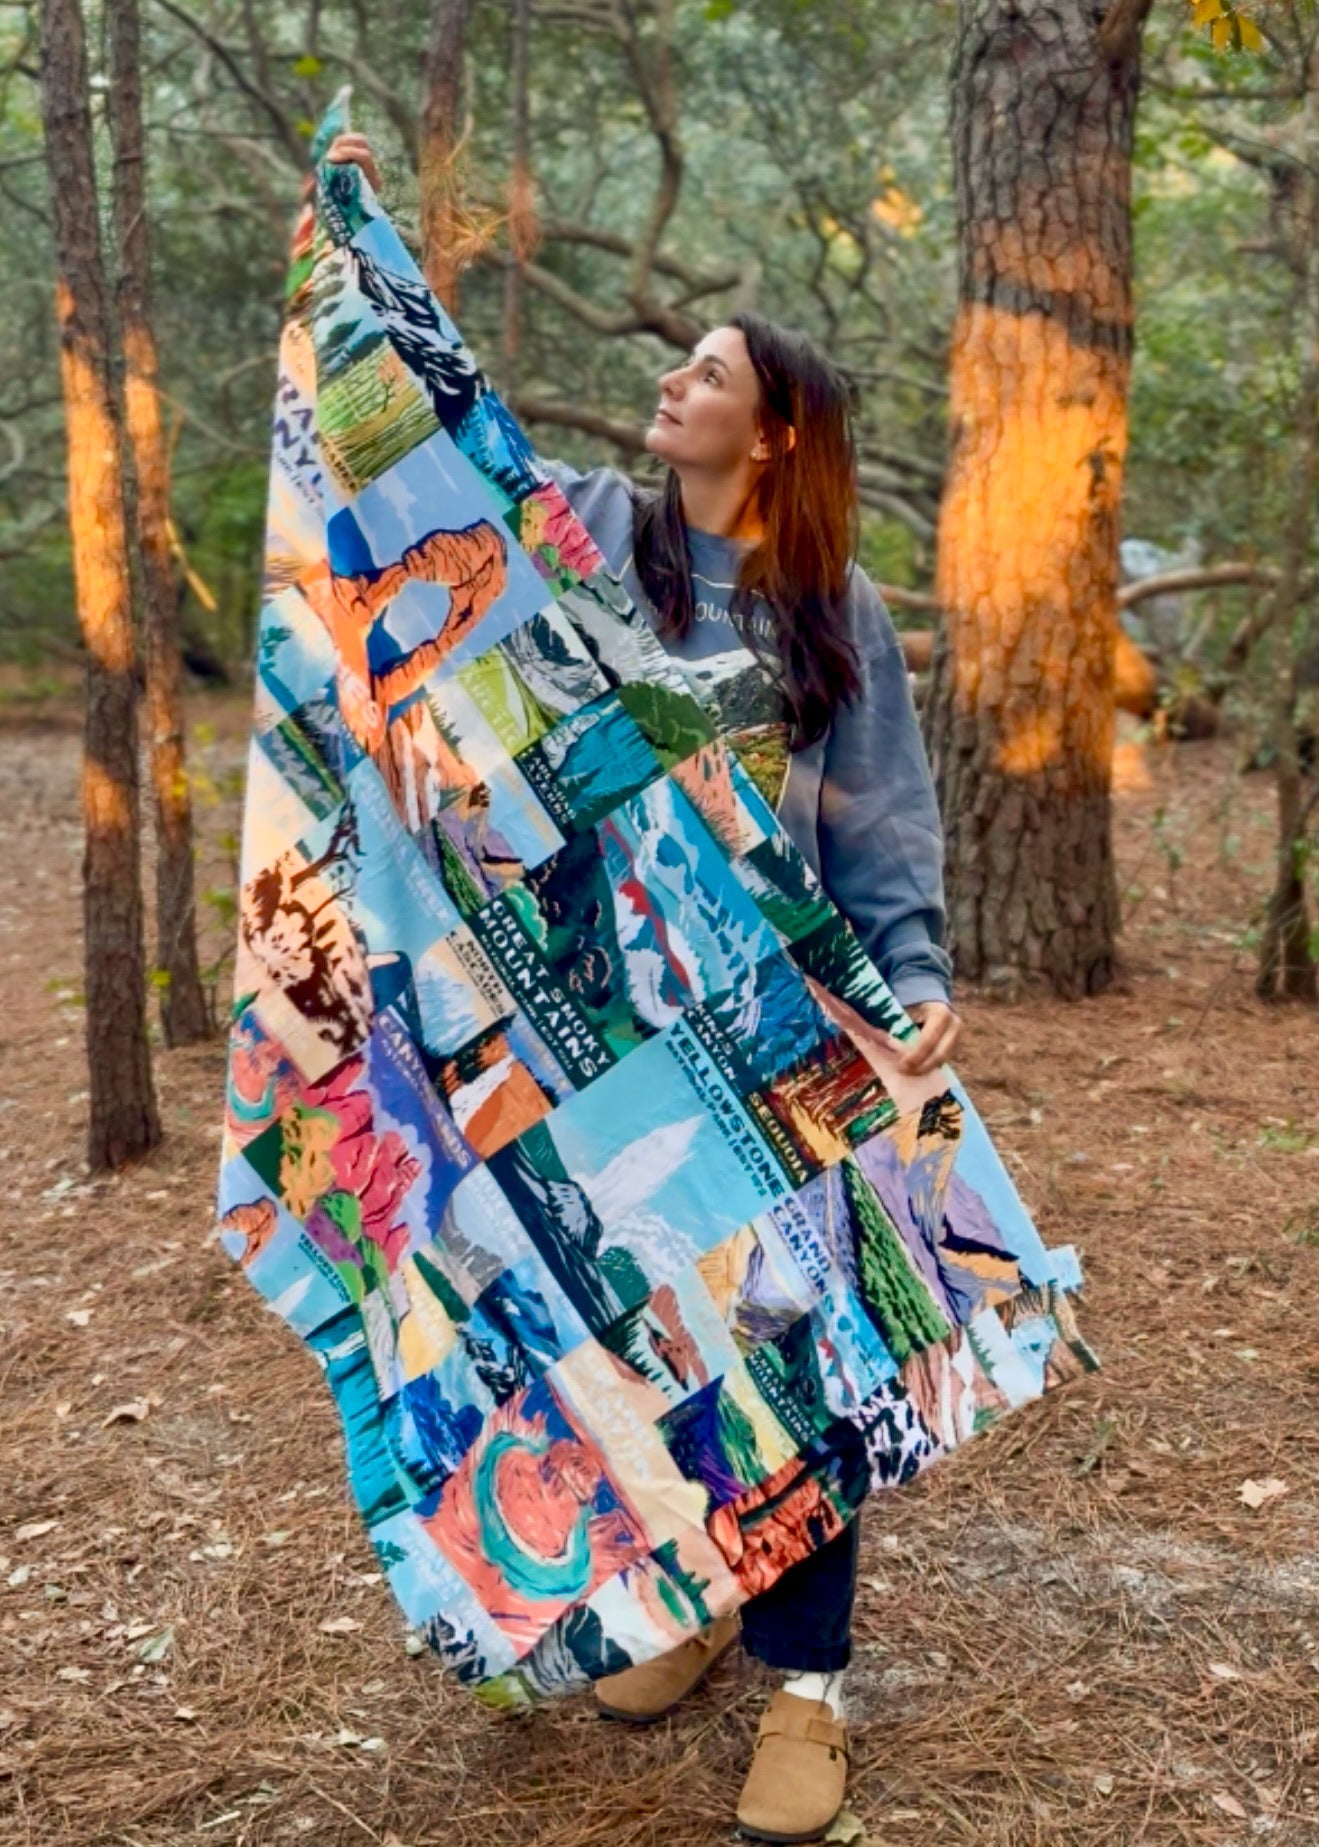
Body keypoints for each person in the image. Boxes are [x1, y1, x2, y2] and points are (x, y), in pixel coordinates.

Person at [327, 131, 960, 1844]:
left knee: (795, 1349)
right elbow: (433, 451)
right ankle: (690, 1597)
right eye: (678, 362)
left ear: (783, 432)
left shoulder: (833, 609)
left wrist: (910, 978)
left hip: (774, 1039)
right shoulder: (590, 540)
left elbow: (881, 819)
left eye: (711, 372)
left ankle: (808, 1689)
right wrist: (366, 245)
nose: (673, 383)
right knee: (644, 1338)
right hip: (588, 1031)